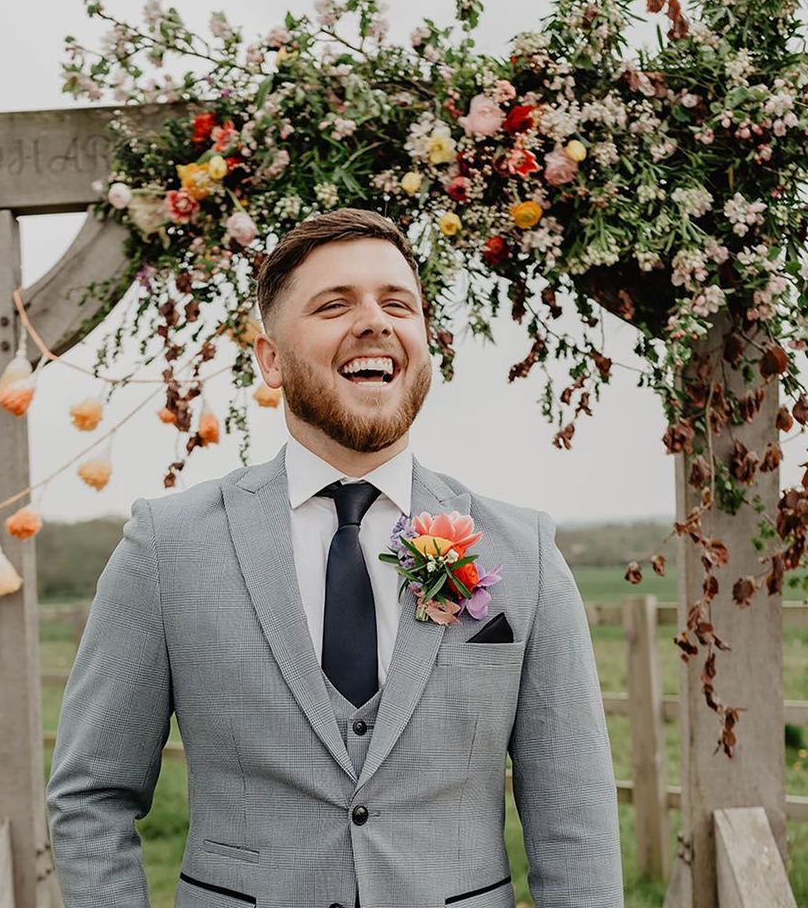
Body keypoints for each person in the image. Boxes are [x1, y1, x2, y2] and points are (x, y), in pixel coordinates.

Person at [46, 207, 623, 908]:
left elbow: (576, 819)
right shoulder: (166, 549)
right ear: (270, 359)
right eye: (334, 304)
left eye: (397, 303)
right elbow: (91, 796)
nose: (375, 321)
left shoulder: (524, 550)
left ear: (424, 343)